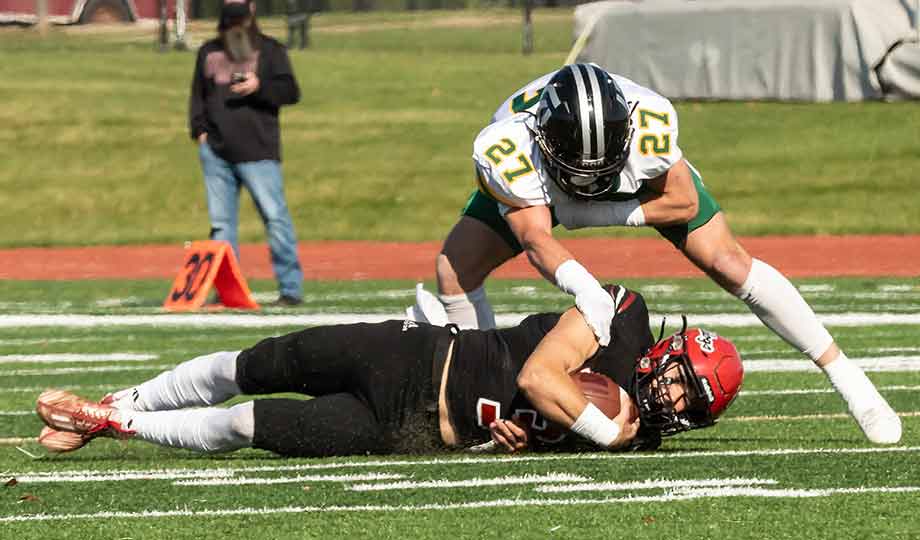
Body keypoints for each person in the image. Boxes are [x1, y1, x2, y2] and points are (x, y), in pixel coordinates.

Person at [434, 64, 900, 444]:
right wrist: (587, 288)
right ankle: (482, 398)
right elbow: (536, 237)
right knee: (456, 267)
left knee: (729, 262)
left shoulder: (647, 125)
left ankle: (848, 378)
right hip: (546, 185)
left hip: (623, 184)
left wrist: (582, 212)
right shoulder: (509, 147)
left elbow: (683, 202)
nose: (592, 175)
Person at [34, 287, 743, 457]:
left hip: (407, 427)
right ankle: (130, 397)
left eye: (690, 399)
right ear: (664, 352)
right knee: (252, 365)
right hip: (413, 355)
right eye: (680, 376)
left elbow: (527, 423)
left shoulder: (639, 438)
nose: (671, 394)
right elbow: (538, 379)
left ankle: (111, 421)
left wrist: (508, 447)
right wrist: (592, 427)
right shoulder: (622, 317)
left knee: (250, 424)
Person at [189, 0, 304, 305]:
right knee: (221, 226)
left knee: (275, 218)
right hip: (216, 151)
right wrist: (199, 131)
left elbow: (291, 92)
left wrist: (259, 86)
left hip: (258, 150)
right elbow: (197, 96)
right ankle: (226, 291)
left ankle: (290, 289)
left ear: (252, 9)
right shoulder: (209, 51)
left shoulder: (270, 50)